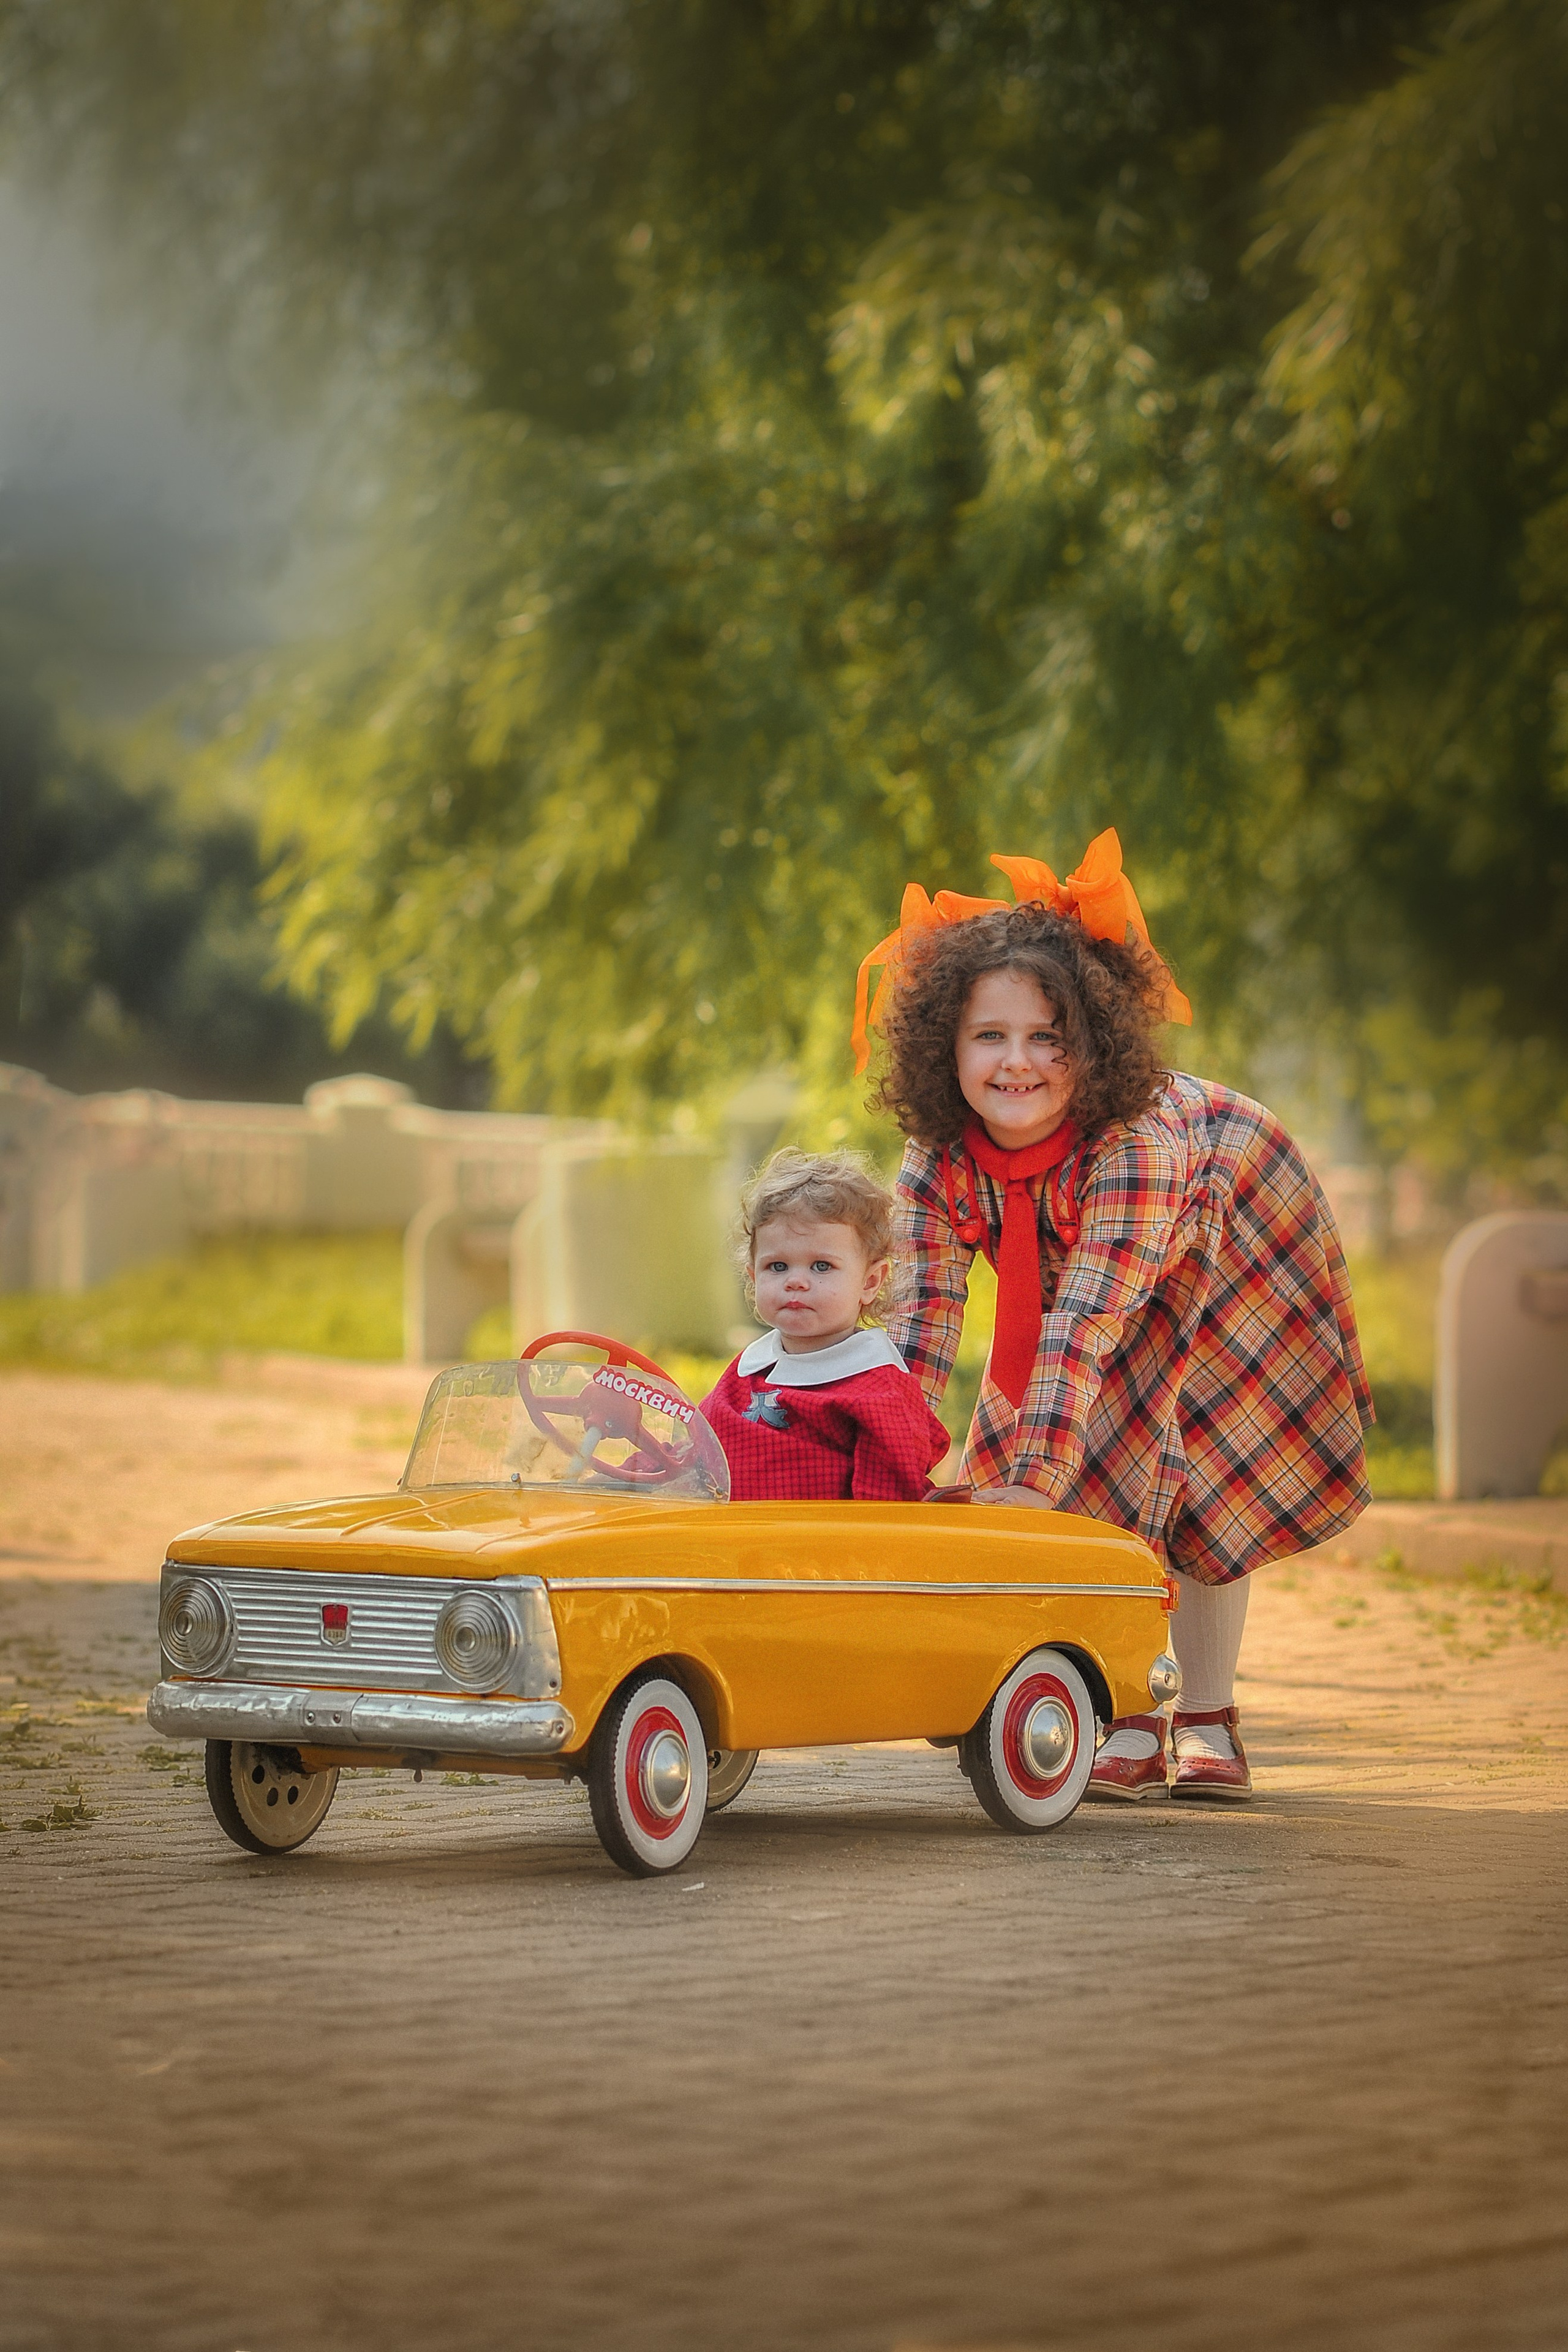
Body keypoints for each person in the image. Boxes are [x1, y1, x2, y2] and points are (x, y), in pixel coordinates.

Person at [855, 829, 1372, 1801]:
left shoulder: (1138, 1147)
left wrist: (1029, 1489)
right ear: (946, 1046)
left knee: (1195, 1455)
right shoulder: (937, 1162)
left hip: (1228, 1224)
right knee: (1074, 1443)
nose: (1018, 1064)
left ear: (1090, 1045)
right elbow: (917, 1333)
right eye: (990, 1037)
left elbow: (1085, 1326)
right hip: (1084, 1266)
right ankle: (1127, 1706)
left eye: (1047, 1038)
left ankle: (1206, 1711)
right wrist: (881, 1470)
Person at [701, 1148, 952, 1502]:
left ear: (869, 1282)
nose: (796, 1282)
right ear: (752, 1276)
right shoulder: (746, 1370)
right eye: (777, 1267)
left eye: (821, 1266)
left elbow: (888, 1505)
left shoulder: (879, 1388)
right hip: (734, 1544)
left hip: (822, 1550)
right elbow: (697, 1451)